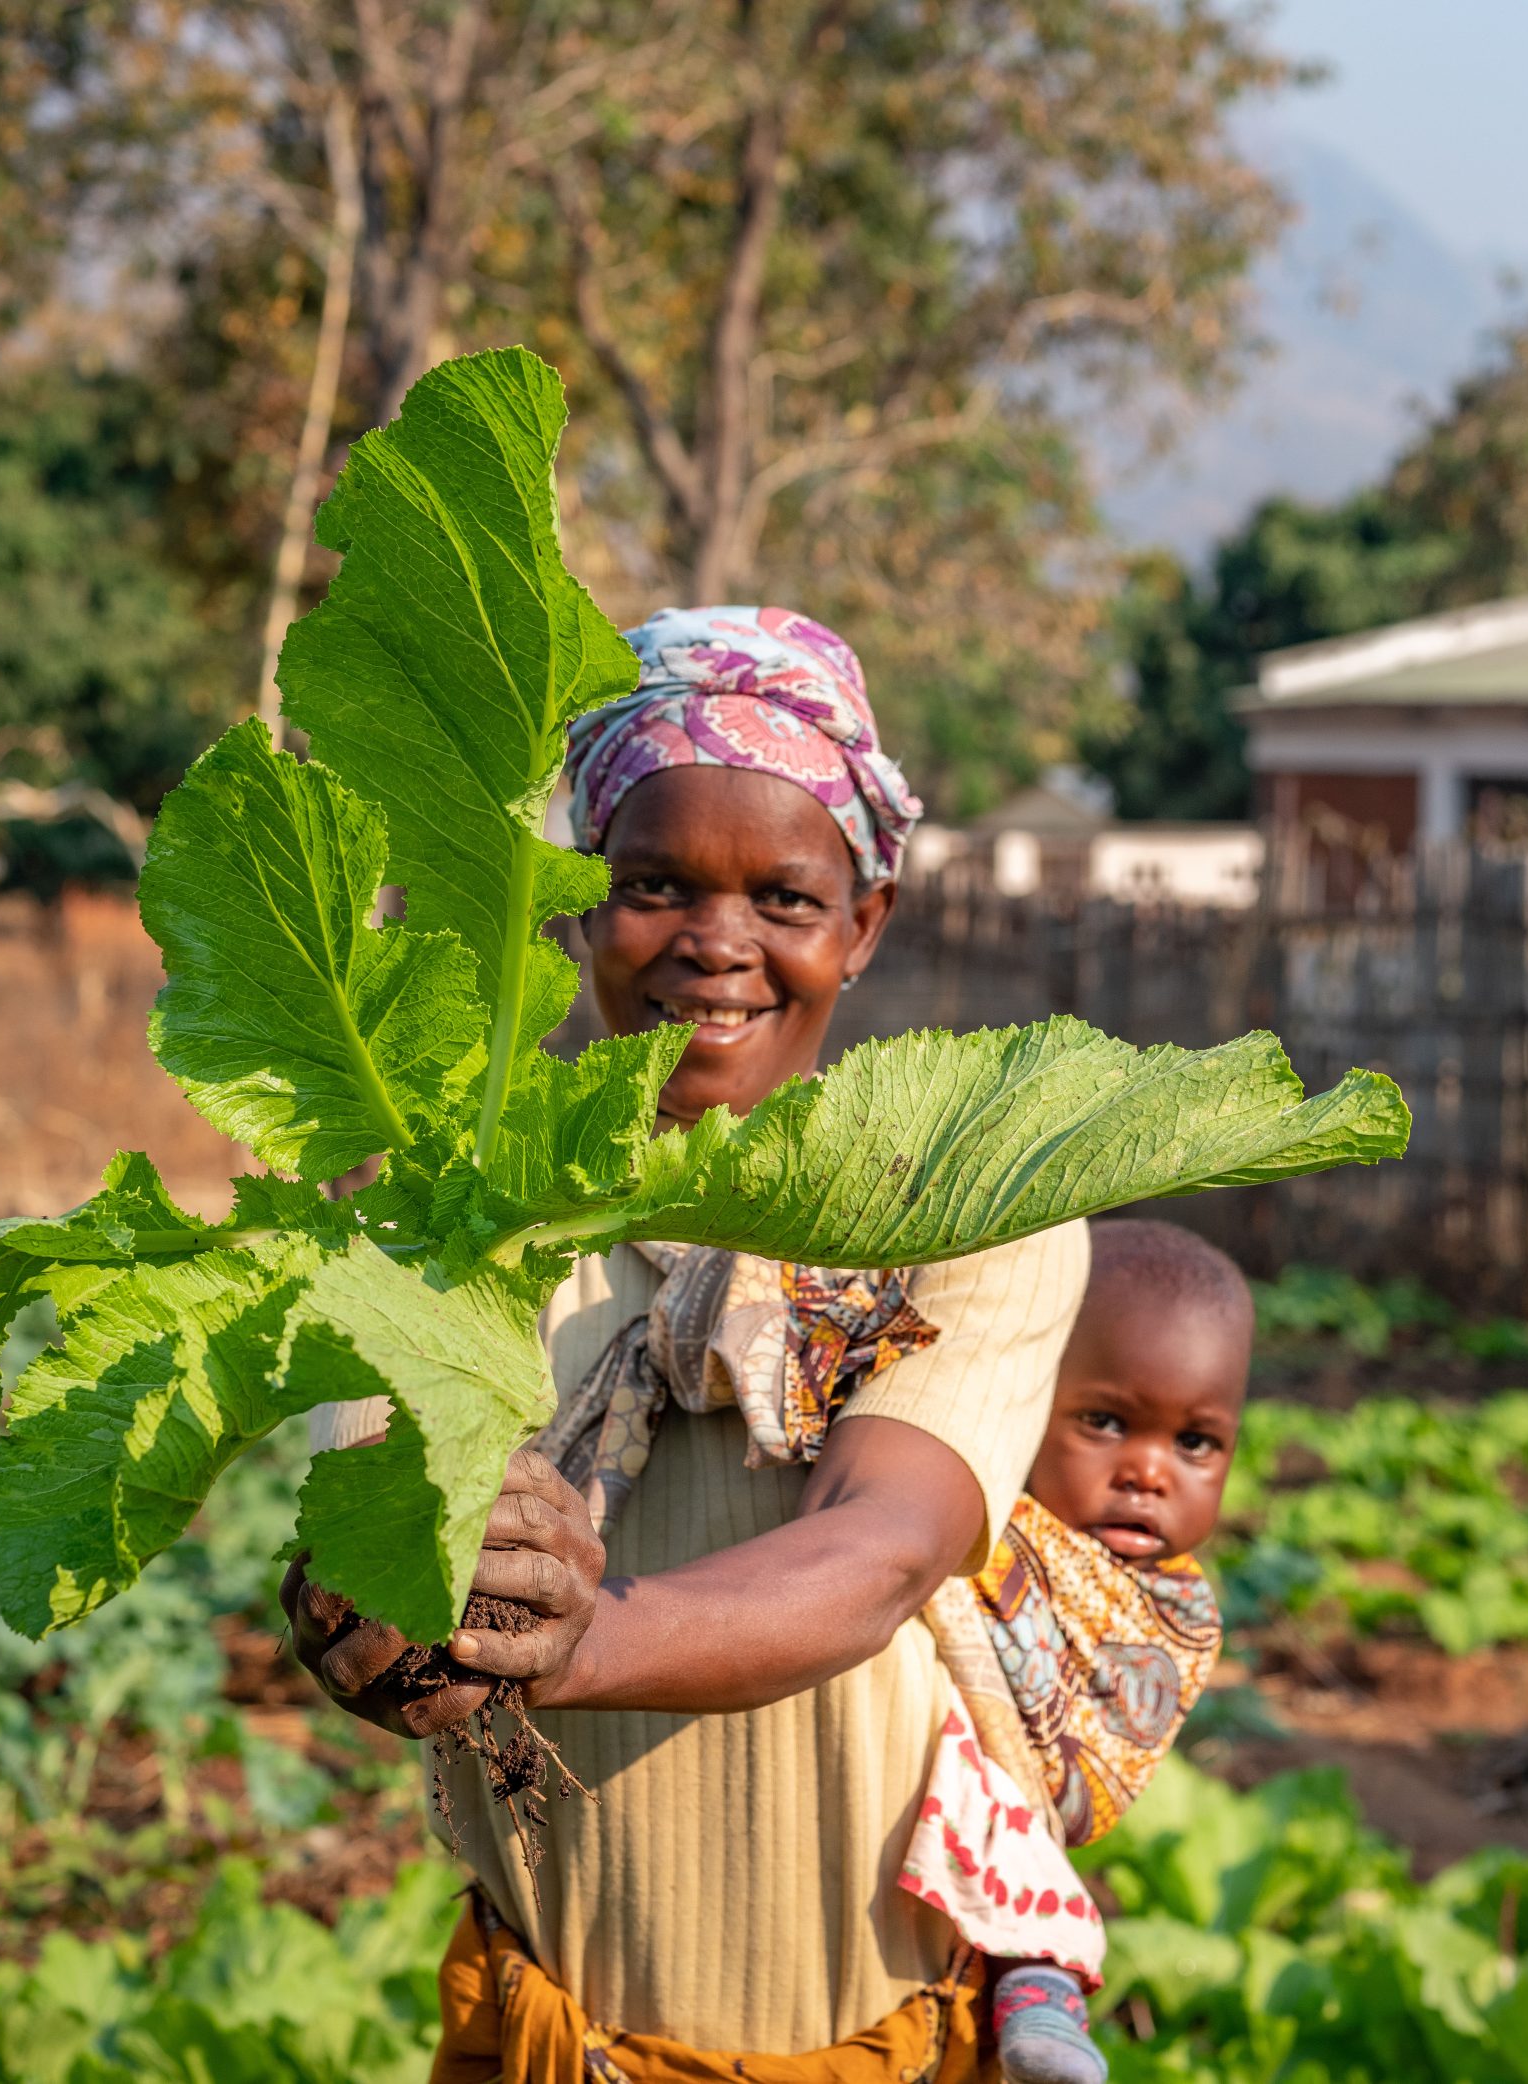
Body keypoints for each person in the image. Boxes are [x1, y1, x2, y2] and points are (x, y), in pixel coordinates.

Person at [283, 605, 1091, 2082]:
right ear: (581, 902)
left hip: (887, 2050)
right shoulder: (450, 1201)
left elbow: (882, 1549)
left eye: (785, 899)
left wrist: (584, 1637)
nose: (717, 946)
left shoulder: (965, 1207)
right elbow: (385, 1537)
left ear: (867, 922)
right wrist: (388, 1629)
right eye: (655, 884)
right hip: (552, 2041)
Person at [900, 1218, 1252, 2084]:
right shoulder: (973, 1512)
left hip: (1012, 1824)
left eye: (1194, 1442)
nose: (1149, 1472)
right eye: (1105, 1422)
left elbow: (1076, 1774)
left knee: (1015, 1826)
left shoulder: (1172, 1607)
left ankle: (1042, 1982)